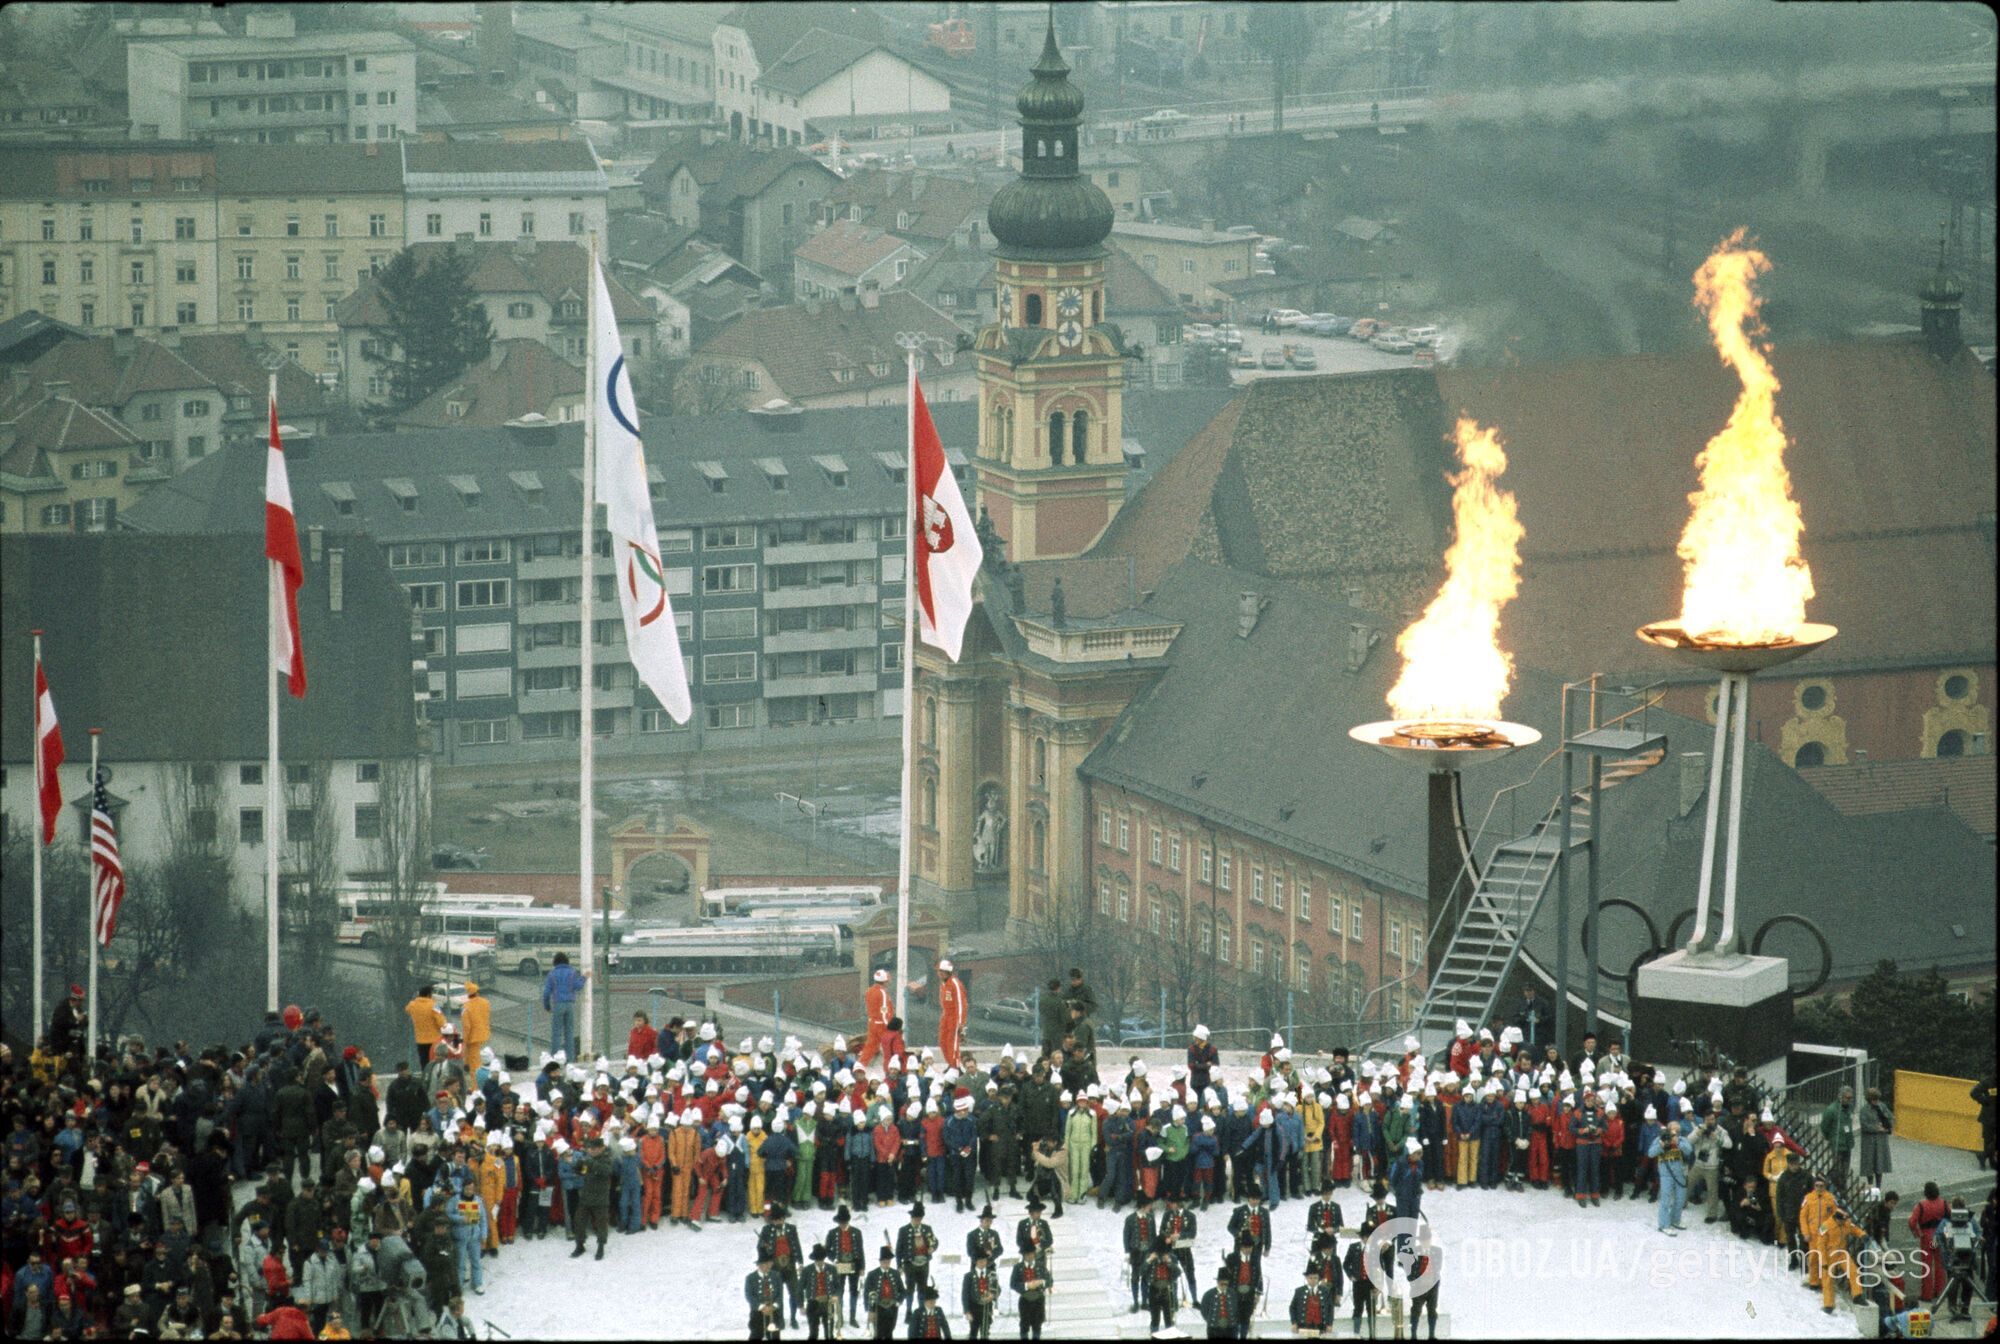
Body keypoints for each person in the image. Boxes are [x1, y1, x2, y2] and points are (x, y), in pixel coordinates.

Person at [569, 1133, 613, 1261]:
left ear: (601, 1148)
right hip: (586, 1196)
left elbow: (607, 1171)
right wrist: (577, 1165)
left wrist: (590, 1163)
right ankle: (579, 1245)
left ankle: (601, 1246)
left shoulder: (607, 1158)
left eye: (594, 1149)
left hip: (601, 1197)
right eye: (590, 1149)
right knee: (579, 1221)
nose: (591, 1151)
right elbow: (579, 1172)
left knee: (601, 1224)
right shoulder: (587, 1159)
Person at [541, 954, 584, 1060]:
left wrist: (547, 1006)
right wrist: (584, 977)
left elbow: (546, 993)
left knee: (556, 1033)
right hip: (570, 1005)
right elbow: (578, 986)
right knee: (569, 1033)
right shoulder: (572, 972)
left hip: (558, 1004)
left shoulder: (552, 974)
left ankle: (555, 1058)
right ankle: (570, 1059)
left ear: (555, 962)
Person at [1650, 1121, 1688, 1234]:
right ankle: (1664, 1224)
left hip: (1679, 1173)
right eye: (1673, 1130)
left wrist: (1678, 1143)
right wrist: (1660, 1146)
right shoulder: (1659, 1139)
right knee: (1665, 1200)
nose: (1675, 1133)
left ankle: (1675, 1220)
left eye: (1677, 1131)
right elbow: (1650, 1153)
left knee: (1680, 1199)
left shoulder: (1681, 1140)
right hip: (1666, 1174)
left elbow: (1689, 1150)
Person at [1141, 1232, 1182, 1332]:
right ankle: (1154, 1334)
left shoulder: (1172, 1257)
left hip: (1168, 1291)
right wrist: (1149, 1260)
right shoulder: (1150, 1256)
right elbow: (1141, 1272)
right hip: (1154, 1289)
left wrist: (1169, 1263)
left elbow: (1178, 1273)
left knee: (1169, 1319)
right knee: (1155, 1318)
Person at [861, 1245, 904, 1340]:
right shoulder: (872, 1274)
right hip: (878, 1307)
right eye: (884, 1261)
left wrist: (899, 1301)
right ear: (880, 1262)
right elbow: (867, 1292)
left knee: (890, 1331)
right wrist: (869, 1308)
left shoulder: (895, 1273)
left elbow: (902, 1290)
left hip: (892, 1306)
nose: (886, 1264)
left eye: (888, 1261)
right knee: (878, 1332)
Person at [1011, 1242, 1051, 1341]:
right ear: (1023, 1255)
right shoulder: (1018, 1268)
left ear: (1034, 1254)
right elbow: (1013, 1284)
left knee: (1037, 1324)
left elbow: (1050, 1281)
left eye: (1032, 1254)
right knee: (1024, 1324)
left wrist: (1041, 1282)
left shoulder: (1041, 1266)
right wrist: (1026, 1285)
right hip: (1025, 1299)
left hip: (1038, 1299)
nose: (1029, 1256)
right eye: (1027, 1254)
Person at [962, 1243, 1001, 1340]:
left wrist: (992, 1295)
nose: (982, 1263)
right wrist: (967, 1311)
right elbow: (965, 1295)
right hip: (974, 1307)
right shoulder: (969, 1276)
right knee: (973, 1332)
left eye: (984, 1261)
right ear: (976, 1262)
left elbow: (998, 1289)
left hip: (987, 1307)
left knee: (985, 1332)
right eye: (980, 1261)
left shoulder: (991, 1274)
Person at [1290, 1260, 1339, 1338]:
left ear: (1319, 1278)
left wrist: (1330, 1324)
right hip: (1303, 1326)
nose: (1313, 1280)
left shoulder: (1325, 1291)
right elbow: (1292, 1308)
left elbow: (1330, 1308)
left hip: (1321, 1327)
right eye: (1310, 1278)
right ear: (1306, 1278)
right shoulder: (1299, 1291)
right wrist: (1294, 1323)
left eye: (1315, 1278)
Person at [803, 1244, 841, 1341]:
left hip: (828, 1303)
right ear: (814, 1259)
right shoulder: (807, 1270)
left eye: (821, 1259)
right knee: (813, 1333)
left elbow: (838, 1286)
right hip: (813, 1304)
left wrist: (836, 1295)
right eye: (817, 1260)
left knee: (829, 1333)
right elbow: (799, 1289)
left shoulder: (832, 1269)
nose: (819, 1262)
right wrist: (800, 1305)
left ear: (824, 1259)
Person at [1858, 1087, 1895, 1187]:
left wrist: (1887, 1127)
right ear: (1869, 1100)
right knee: (1869, 1163)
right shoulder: (1864, 1110)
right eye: (1874, 1099)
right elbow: (1864, 1125)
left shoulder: (1882, 1106)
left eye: (1877, 1099)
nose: (1876, 1101)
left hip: (1881, 1140)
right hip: (1869, 1141)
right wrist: (1876, 1129)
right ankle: (1870, 1184)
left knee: (1880, 1163)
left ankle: (1878, 1185)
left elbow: (1890, 1117)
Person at [403, 987, 445, 1073]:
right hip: (434, 1040)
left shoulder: (413, 1005)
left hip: (420, 1040)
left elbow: (407, 1009)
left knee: (424, 1064)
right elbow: (442, 1023)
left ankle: (425, 1080)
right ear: (429, 995)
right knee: (435, 1065)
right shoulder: (433, 1005)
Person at [746, 1249, 785, 1341]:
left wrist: (773, 1306)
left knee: (775, 1337)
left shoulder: (776, 1276)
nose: (768, 1266)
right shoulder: (751, 1278)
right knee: (755, 1336)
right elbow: (749, 1296)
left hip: (774, 1313)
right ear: (759, 1265)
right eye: (765, 1264)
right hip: (758, 1313)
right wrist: (762, 1307)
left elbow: (780, 1295)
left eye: (770, 1263)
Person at [936, 958, 967, 1070]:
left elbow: (961, 1004)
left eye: (942, 971)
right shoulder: (943, 984)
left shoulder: (955, 983)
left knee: (952, 1043)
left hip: (954, 1017)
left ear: (948, 972)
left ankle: (955, 1066)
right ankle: (950, 1062)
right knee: (942, 1041)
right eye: (939, 971)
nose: (939, 973)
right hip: (946, 1016)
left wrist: (960, 1023)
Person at [859, 969, 894, 1067]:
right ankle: (892, 1066)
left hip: (872, 1022)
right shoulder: (882, 992)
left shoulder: (869, 991)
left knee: (870, 1046)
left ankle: (861, 1064)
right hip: (881, 1024)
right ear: (884, 981)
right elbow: (884, 1011)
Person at [1820, 1087, 1856, 1183]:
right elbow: (1824, 1127)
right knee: (1837, 1170)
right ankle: (1837, 1189)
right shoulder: (1831, 1110)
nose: (1850, 1100)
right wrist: (1831, 1138)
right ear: (1840, 1097)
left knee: (1845, 1171)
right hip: (1837, 1144)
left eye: (1851, 1098)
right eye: (1847, 1098)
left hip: (1847, 1143)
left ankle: (1843, 1189)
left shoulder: (1849, 1108)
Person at [1200, 1264, 1241, 1340]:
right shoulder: (1208, 1294)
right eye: (1222, 1284)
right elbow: (1204, 1311)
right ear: (1218, 1282)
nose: (1224, 1286)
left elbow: (1237, 1309)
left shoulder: (1233, 1294)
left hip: (1230, 1328)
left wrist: (1234, 1322)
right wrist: (1212, 1320)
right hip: (1214, 1329)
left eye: (1226, 1284)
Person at [458, 982, 490, 1064]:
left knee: (474, 1062)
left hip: (473, 1038)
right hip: (484, 1035)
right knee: (480, 1058)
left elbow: (467, 1027)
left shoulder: (466, 1007)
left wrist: (465, 1041)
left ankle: (474, 1075)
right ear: (477, 992)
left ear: (468, 995)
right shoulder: (486, 1003)